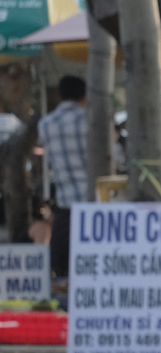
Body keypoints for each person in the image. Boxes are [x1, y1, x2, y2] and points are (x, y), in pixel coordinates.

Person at [39, 76, 92, 279]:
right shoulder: (91, 120)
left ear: (59, 95)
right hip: (93, 202)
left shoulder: (45, 124)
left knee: (62, 267)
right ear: (85, 96)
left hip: (66, 206)